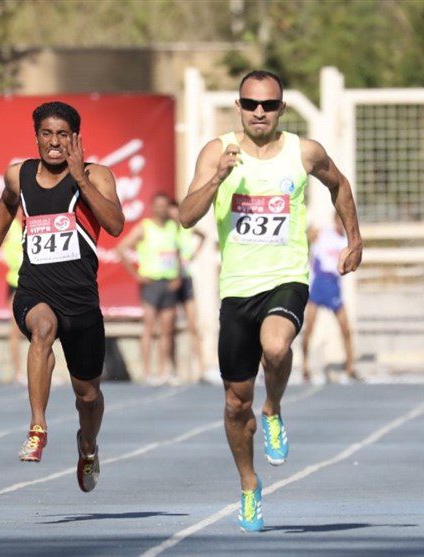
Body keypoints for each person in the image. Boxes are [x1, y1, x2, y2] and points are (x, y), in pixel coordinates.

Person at [179, 70, 362, 531]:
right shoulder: (217, 151)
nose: (259, 112)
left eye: (269, 104)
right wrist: (218, 177)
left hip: (286, 278)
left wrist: (354, 239)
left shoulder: (304, 152)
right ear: (239, 107)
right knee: (235, 404)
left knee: (277, 347)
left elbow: (339, 184)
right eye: (250, 103)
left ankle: (275, 408)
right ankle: (248, 485)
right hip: (237, 288)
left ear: (282, 108)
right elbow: (186, 216)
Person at [0, 101, 124, 493]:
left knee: (88, 395)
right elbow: (7, 205)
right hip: (34, 290)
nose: (54, 142)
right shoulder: (18, 175)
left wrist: (81, 179)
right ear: (36, 136)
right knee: (42, 329)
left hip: (81, 302)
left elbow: (115, 224)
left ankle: (88, 445)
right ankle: (37, 427)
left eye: (62, 135)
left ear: (76, 138)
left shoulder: (97, 175)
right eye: (47, 134)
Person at [117, 193, 181, 385]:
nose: (162, 209)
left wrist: (178, 274)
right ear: (153, 207)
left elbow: (176, 253)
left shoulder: (173, 226)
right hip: (151, 282)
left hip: (169, 282)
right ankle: (146, 370)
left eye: (165, 205)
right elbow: (121, 248)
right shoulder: (145, 227)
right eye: (158, 205)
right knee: (149, 326)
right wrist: (136, 274)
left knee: (167, 329)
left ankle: (163, 370)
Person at [301, 213, 359, 383]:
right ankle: (305, 365)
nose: (341, 226)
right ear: (335, 221)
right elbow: (307, 235)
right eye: (339, 222)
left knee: (346, 329)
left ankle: (350, 366)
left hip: (334, 286)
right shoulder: (323, 235)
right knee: (309, 328)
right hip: (319, 285)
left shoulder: (345, 241)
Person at [168, 201, 207, 383]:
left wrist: (194, 253)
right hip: (169, 279)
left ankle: (200, 368)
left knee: (193, 324)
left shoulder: (186, 227)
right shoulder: (166, 230)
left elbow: (203, 235)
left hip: (185, 277)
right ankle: (173, 369)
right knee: (170, 326)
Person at [0, 215, 27, 384]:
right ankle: (18, 372)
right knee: (15, 330)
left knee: (44, 327)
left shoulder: (33, 222)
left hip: (35, 280)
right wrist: (9, 260)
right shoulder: (11, 226)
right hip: (15, 283)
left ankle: (44, 371)